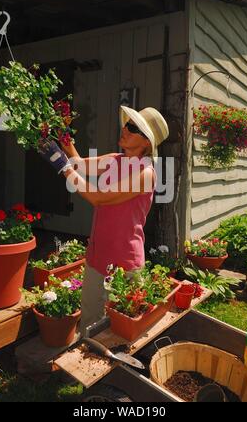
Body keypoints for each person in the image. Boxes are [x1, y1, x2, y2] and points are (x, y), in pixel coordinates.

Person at [39, 106, 169, 335]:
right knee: (88, 319)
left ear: (147, 143)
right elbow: (78, 162)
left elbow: (98, 198)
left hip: (124, 263)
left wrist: (63, 168)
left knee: (119, 329)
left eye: (133, 128)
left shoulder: (146, 174)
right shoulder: (114, 160)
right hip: (97, 256)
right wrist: (62, 133)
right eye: (127, 124)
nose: (125, 129)